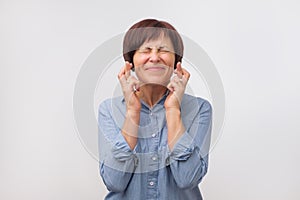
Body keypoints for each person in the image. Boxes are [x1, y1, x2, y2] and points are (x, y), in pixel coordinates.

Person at [98, 18, 212, 200]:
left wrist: (173, 109)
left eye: (163, 50)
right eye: (146, 50)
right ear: (131, 61)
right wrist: (132, 112)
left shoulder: (200, 109)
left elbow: (187, 179)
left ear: (176, 62)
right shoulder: (109, 110)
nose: (154, 57)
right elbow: (114, 182)